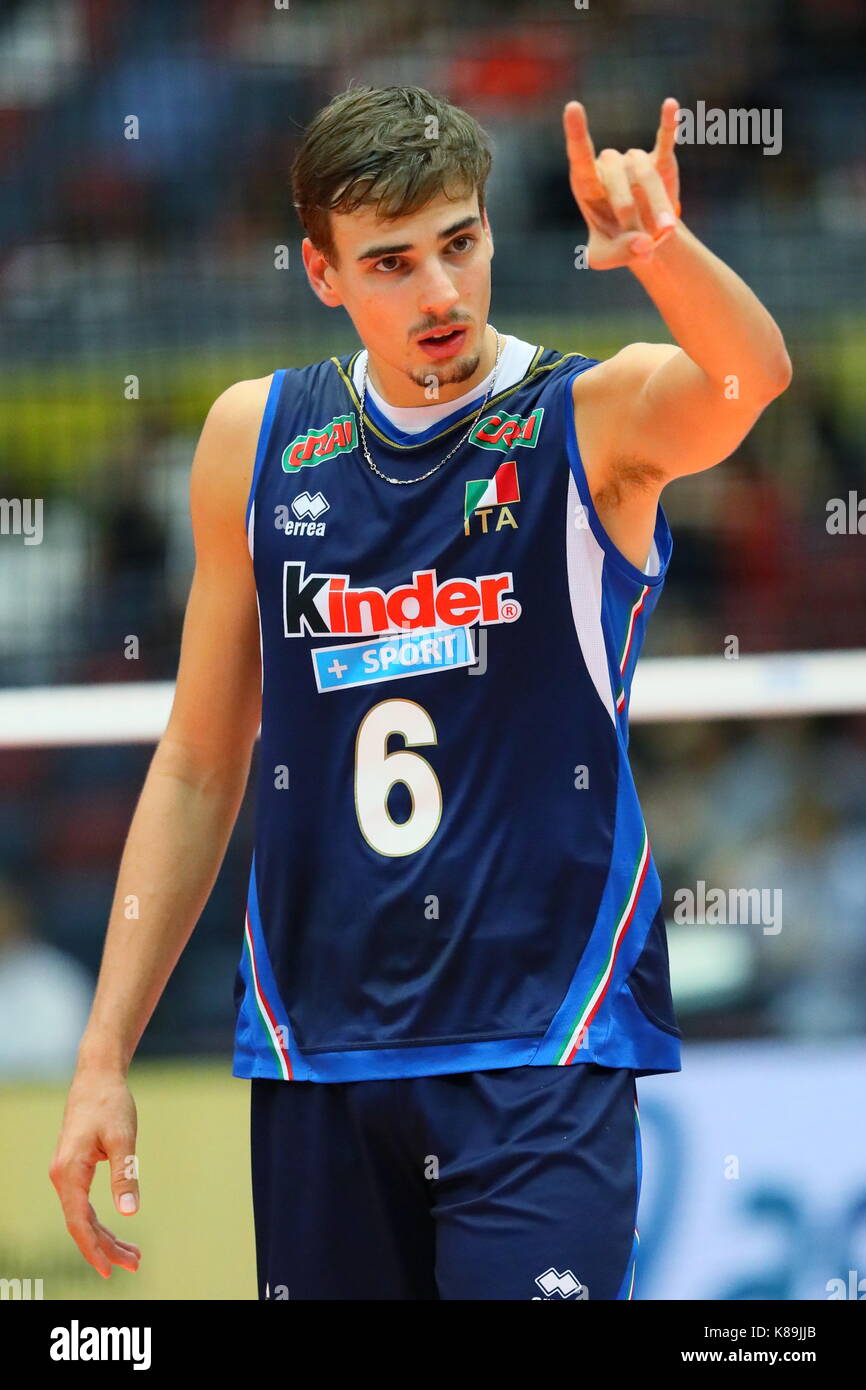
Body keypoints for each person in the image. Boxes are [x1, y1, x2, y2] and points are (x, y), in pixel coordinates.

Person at [50, 84, 791, 1300]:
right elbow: (195, 762)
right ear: (322, 274)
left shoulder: (585, 419)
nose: (438, 293)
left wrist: (660, 253)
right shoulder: (256, 438)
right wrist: (100, 1053)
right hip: (318, 1045)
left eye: (458, 243)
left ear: (492, 232)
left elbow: (746, 378)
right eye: (389, 262)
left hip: (540, 1040)